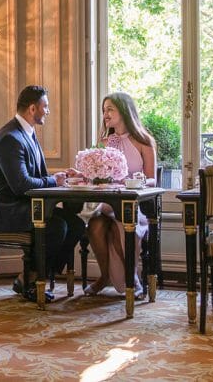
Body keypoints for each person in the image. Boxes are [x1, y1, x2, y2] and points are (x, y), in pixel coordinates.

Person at [0, 85, 85, 302]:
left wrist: (62, 177)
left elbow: (37, 178)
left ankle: (32, 276)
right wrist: (55, 181)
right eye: (45, 106)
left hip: (22, 206)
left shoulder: (27, 133)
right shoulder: (10, 138)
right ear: (32, 108)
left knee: (75, 224)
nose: (48, 111)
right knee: (57, 227)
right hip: (5, 210)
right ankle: (31, 281)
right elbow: (21, 185)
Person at [84, 92, 157, 298]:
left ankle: (131, 280)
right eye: (104, 110)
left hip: (135, 206)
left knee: (121, 227)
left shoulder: (144, 141)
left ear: (124, 111)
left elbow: (153, 179)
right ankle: (104, 276)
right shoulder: (105, 142)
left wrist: (134, 182)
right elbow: (97, 176)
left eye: (110, 110)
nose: (105, 114)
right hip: (108, 203)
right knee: (95, 225)